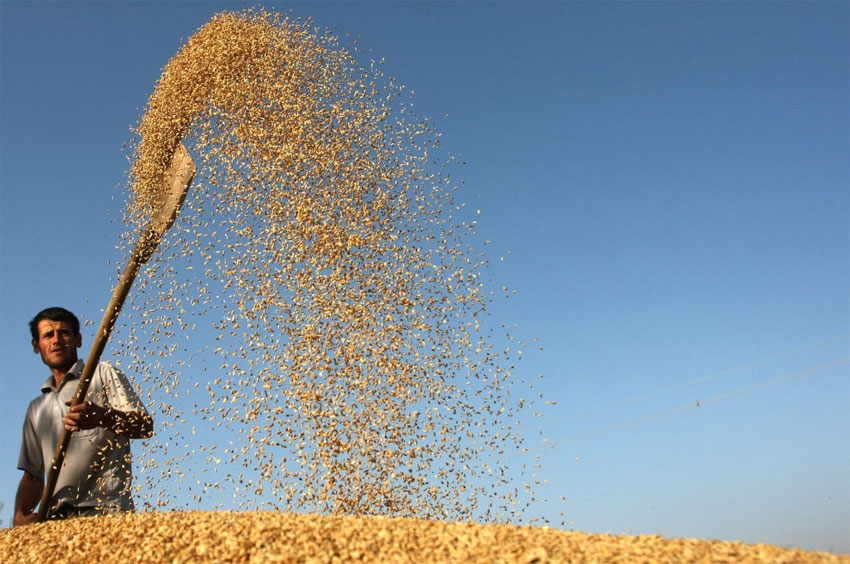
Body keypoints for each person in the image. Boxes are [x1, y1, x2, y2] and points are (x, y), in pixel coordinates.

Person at [13, 307, 153, 526]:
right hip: (55, 519)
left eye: (64, 333)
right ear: (36, 346)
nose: (57, 340)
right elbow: (33, 474)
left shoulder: (101, 374)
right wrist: (20, 513)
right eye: (48, 335)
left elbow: (145, 426)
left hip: (107, 511)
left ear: (78, 339)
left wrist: (102, 417)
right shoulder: (37, 408)